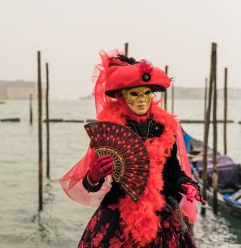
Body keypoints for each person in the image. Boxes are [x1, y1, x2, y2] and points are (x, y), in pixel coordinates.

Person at [60, 50, 205, 248]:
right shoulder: (111, 130)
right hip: (119, 214)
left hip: (161, 212)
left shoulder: (164, 127)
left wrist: (187, 184)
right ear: (121, 95)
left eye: (146, 93)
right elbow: (91, 184)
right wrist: (95, 175)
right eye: (134, 94)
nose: (142, 100)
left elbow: (172, 170)